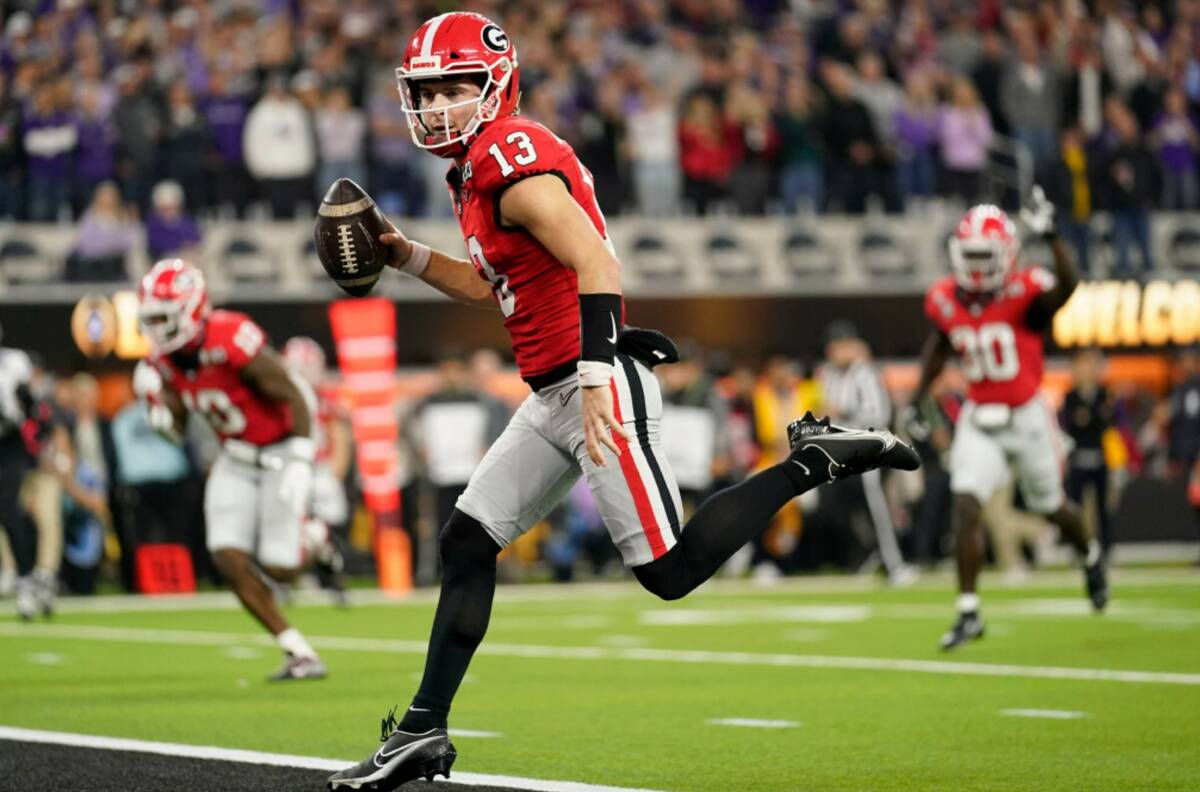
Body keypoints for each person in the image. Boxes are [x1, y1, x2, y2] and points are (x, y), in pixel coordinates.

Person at [327, 13, 919, 791]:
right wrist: (404, 254)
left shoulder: (511, 151)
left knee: (669, 571)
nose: (434, 106)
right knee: (467, 544)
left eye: (451, 87)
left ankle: (813, 459)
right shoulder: (474, 170)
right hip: (554, 390)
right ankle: (422, 729)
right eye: (425, 92)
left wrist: (602, 370)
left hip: (593, 382)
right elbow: (489, 286)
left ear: (493, 84)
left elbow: (596, 262)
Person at [908, 187, 1106, 651]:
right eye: (971, 255)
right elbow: (939, 349)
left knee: (1050, 507)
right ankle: (968, 611)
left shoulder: (1025, 292)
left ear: (1007, 255)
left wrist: (1054, 236)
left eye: (985, 255)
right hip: (980, 414)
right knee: (966, 504)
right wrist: (917, 401)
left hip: (1026, 414)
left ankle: (1090, 555)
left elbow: (1068, 289)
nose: (977, 265)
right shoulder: (944, 298)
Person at [137, 258, 326, 681]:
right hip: (234, 458)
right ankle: (297, 650)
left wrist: (300, 457)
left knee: (279, 566)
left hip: (279, 452)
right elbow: (180, 429)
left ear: (190, 308)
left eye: (162, 317)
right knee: (226, 555)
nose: (155, 329)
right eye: (150, 318)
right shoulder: (162, 363)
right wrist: (161, 416)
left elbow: (294, 393)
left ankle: (316, 538)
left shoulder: (229, 336)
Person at [818, 321, 916, 586]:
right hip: (839, 453)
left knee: (876, 508)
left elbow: (879, 414)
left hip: (866, 450)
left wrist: (845, 411)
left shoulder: (865, 374)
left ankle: (894, 564)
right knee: (834, 508)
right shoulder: (828, 375)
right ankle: (870, 552)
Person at [282, 336, 351, 604]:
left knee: (328, 525)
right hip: (291, 467)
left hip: (320, 467)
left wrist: (335, 473)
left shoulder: (326, 397)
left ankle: (330, 576)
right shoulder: (281, 398)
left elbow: (339, 435)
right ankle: (290, 576)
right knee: (291, 525)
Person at [1060, 350, 1115, 557]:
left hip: (1099, 458)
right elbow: (1073, 423)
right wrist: (1091, 418)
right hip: (1078, 459)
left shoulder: (1103, 393)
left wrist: (1088, 418)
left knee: (1103, 509)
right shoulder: (1070, 396)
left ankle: (1107, 549)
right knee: (1075, 508)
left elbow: (1104, 421)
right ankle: (1078, 548)